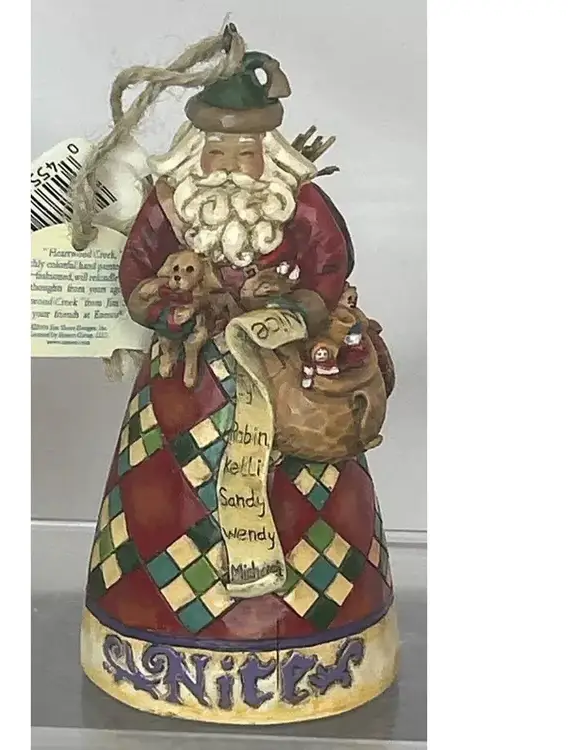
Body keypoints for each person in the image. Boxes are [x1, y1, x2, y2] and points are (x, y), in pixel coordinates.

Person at [81, 36, 399, 724]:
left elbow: (328, 267)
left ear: (270, 155)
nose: (229, 166)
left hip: (286, 381)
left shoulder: (301, 204)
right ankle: (149, 633)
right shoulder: (168, 204)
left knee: (311, 495)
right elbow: (137, 270)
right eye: (217, 152)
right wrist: (168, 310)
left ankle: (320, 641)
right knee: (162, 501)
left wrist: (293, 311)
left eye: (245, 153)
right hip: (182, 382)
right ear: (195, 154)